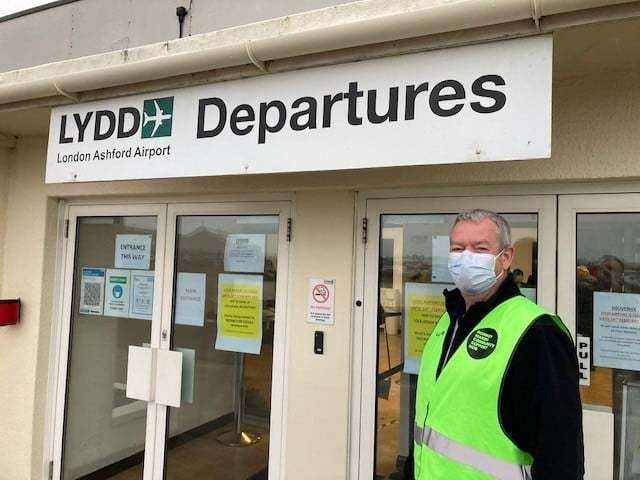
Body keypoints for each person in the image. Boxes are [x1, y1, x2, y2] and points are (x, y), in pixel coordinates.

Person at [407, 209, 584, 480]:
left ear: (506, 257)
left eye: (480, 248)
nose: (466, 257)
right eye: (457, 248)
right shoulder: (448, 320)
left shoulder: (538, 332)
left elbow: (560, 456)